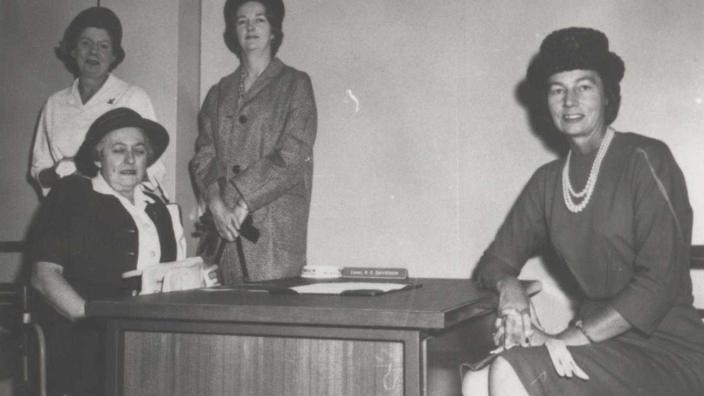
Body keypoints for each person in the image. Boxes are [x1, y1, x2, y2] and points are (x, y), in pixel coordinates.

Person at [464, 27, 704, 396]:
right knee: (476, 382)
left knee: (510, 372)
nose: (570, 101)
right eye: (557, 89)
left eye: (584, 86)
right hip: (601, 345)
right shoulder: (547, 181)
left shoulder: (646, 159)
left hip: (667, 348)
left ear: (608, 94)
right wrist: (511, 291)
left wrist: (564, 339)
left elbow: (657, 285)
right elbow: (494, 262)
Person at [30, 107, 184, 396]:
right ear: (97, 157)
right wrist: (95, 321)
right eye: (118, 150)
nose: (129, 159)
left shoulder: (158, 207)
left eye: (138, 151)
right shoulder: (73, 194)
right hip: (84, 339)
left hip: (148, 337)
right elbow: (44, 275)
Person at [191, 0, 317, 284]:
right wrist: (216, 204)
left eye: (259, 19)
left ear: (274, 29)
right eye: (241, 21)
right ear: (233, 31)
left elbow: (293, 155)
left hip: (272, 235)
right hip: (223, 234)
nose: (250, 27)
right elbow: (203, 155)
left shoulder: (295, 84)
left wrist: (242, 202)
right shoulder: (218, 92)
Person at [31, 6, 165, 196]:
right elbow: (39, 169)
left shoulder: (133, 97)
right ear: (73, 50)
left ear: (113, 56)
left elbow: (154, 170)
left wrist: (99, 175)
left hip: (117, 210)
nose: (93, 52)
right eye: (86, 43)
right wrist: (58, 173)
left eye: (103, 45)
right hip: (67, 207)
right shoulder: (55, 103)